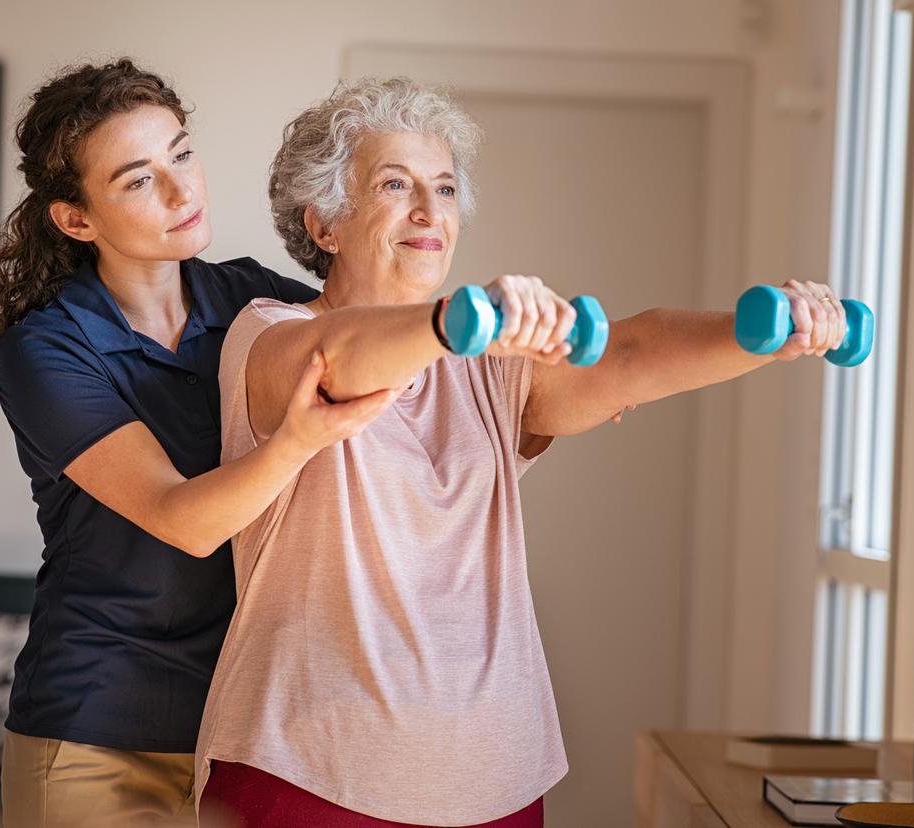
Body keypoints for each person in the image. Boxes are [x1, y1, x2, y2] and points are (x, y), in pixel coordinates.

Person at [195, 77, 848, 827]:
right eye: (394, 184)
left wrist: (765, 333)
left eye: (443, 188)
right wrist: (457, 322)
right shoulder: (269, 332)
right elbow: (338, 361)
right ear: (325, 225)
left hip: (494, 781)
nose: (428, 210)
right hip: (308, 772)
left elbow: (630, 352)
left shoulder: (488, 362)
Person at [0, 59, 394, 828]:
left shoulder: (250, 298)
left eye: (182, 154)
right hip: (97, 734)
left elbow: (369, 351)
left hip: (241, 728)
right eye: (137, 180)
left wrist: (519, 394)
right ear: (76, 219)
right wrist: (297, 439)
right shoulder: (50, 349)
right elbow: (185, 520)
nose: (180, 190)